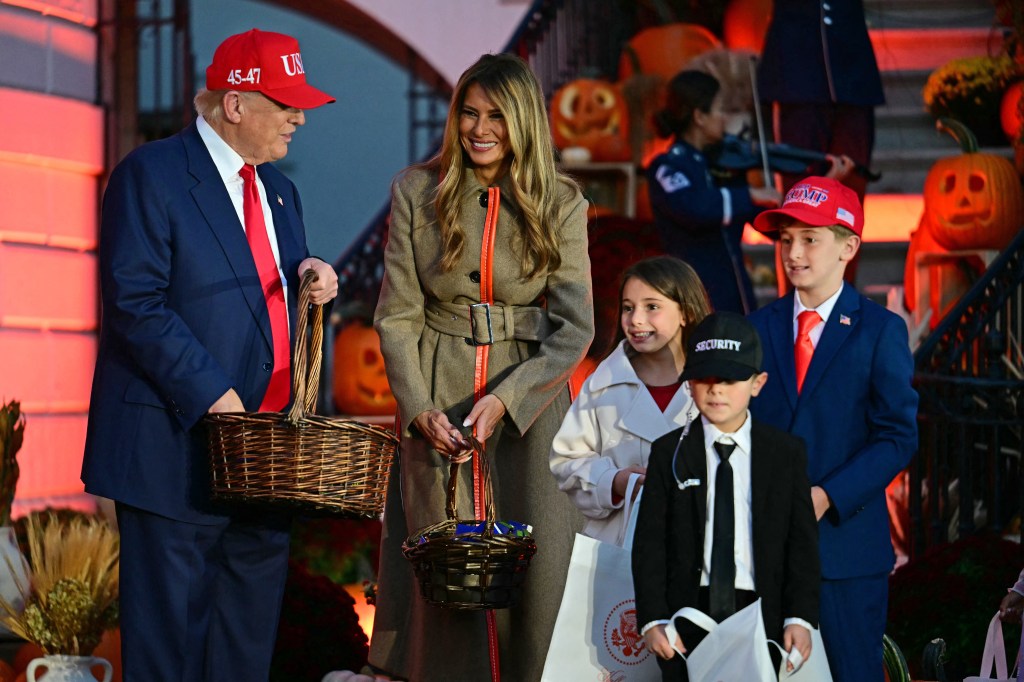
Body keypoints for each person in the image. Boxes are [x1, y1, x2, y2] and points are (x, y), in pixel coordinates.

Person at [80, 28, 339, 681]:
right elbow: (135, 302)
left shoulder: (281, 191)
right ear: (234, 104)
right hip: (174, 458)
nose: (299, 117)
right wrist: (213, 396)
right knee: (167, 655)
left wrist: (310, 274)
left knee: (243, 654)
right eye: (284, 104)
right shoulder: (151, 175)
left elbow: (264, 284)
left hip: (262, 465)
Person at [368, 53, 594, 681]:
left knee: (537, 571)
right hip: (437, 393)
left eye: (495, 114)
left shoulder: (563, 203)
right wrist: (419, 410)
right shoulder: (417, 190)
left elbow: (575, 327)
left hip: (531, 409)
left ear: (521, 119)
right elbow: (397, 316)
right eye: (468, 112)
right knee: (442, 571)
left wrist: (512, 398)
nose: (479, 127)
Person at [747, 176, 919, 682]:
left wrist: (828, 494)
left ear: (849, 248)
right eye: (785, 240)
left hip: (845, 548)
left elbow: (897, 436)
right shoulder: (757, 327)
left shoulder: (880, 329)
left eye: (809, 239)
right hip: (763, 549)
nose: (793, 253)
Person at [632, 312, 820, 682]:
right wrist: (653, 619)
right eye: (704, 378)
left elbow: (802, 543)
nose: (715, 389)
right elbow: (650, 542)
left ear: (758, 383)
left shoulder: (785, 453)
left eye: (730, 379)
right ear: (689, 385)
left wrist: (800, 617)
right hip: (687, 616)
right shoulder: (669, 452)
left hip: (762, 613)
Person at [550, 255, 710, 546]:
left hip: (697, 546)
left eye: (652, 307)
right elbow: (567, 461)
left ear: (685, 312)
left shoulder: (716, 384)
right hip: (617, 551)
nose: (635, 319)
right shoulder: (601, 384)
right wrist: (615, 482)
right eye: (628, 307)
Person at [758, 0, 883, 284]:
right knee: (799, 200)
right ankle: (796, 311)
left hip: (852, 72)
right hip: (796, 74)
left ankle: (840, 303)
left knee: (847, 199)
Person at [645, 70, 781, 315]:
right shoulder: (666, 167)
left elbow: (765, 224)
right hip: (695, 297)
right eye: (720, 110)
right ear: (699, 116)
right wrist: (750, 194)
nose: (725, 119)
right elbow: (697, 208)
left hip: (738, 295)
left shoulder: (722, 167)